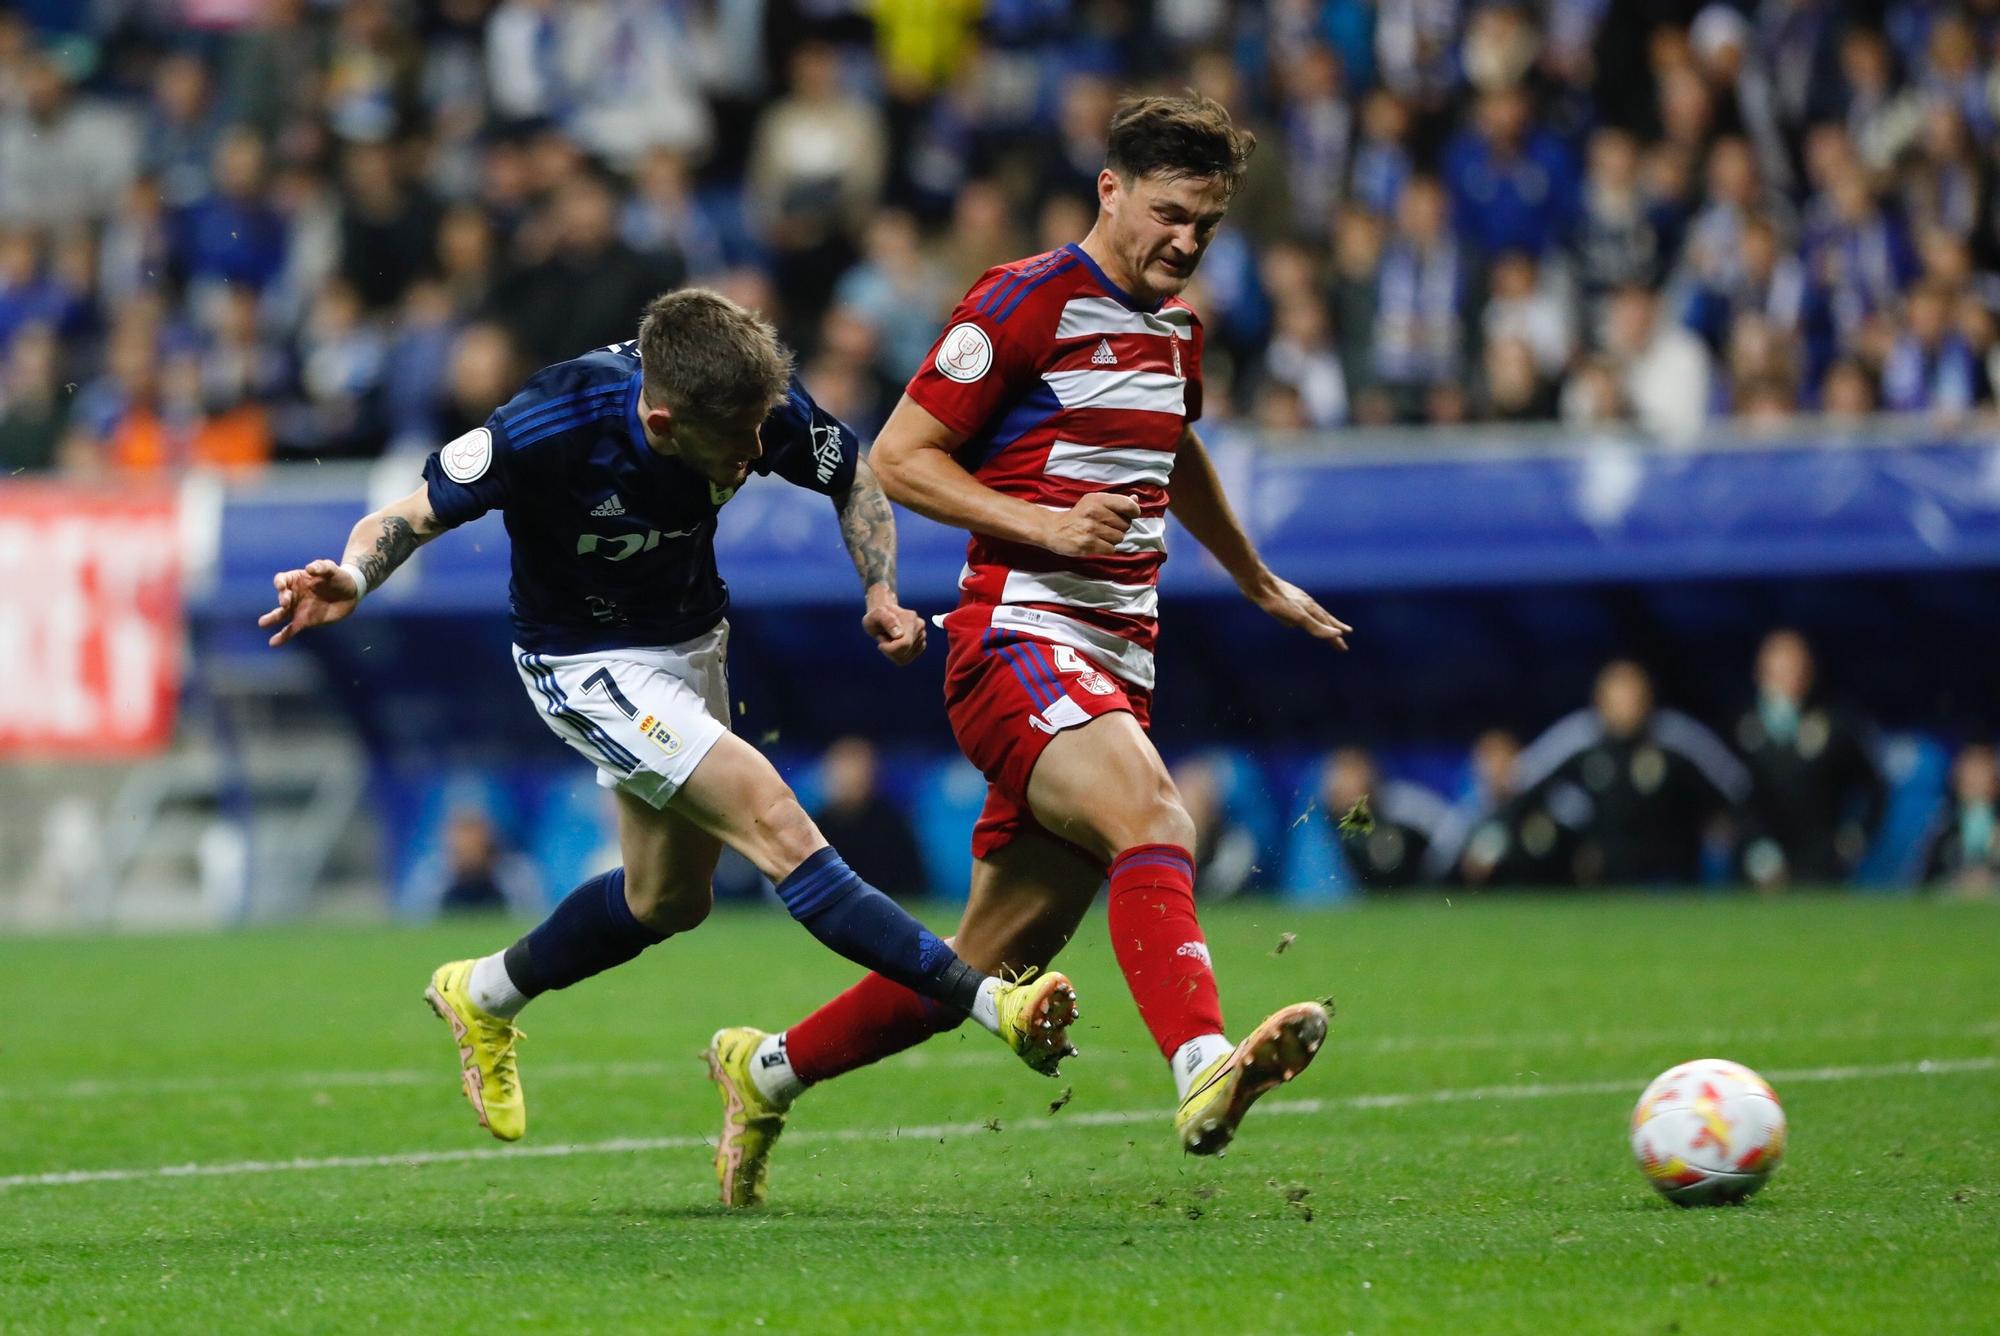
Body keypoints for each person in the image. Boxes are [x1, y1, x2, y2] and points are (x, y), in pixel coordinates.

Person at [258, 288, 1079, 1155]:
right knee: (776, 819)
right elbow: (407, 514)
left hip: (691, 644)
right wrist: (352, 577)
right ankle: (994, 1003)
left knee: (669, 900)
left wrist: (879, 589)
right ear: (660, 423)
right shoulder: (547, 422)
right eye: (735, 446)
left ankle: (485, 992)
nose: (755, 456)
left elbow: (855, 475)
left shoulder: (745, 397)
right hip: (583, 664)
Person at [709, 92, 1347, 1207]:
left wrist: (1250, 577)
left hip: (1114, 662)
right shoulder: (1023, 300)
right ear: (1108, 190)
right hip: (1013, 638)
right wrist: (1049, 525)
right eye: (1166, 214)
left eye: (1204, 224)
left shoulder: (1174, 327)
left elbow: (1172, 446)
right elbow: (899, 458)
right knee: (1157, 814)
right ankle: (1203, 1067)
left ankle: (762, 1071)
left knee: (980, 967)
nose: (1184, 243)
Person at [1512, 661, 1750, 886]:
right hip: (1600, 875)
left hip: (1673, 876)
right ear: (1600, 702)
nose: (1627, 708)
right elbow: (1522, 781)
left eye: (1634, 698)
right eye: (1618, 700)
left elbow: (1734, 784)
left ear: (1648, 699)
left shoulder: (1675, 735)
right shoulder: (1579, 737)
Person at [1732, 630, 1884, 888]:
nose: (1785, 679)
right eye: (1776, 670)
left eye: (1793, 669)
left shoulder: (1835, 724)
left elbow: (1874, 787)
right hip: (1757, 867)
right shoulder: (1739, 727)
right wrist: (1756, 848)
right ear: (1759, 673)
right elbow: (1734, 795)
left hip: (1820, 865)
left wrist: (1855, 836)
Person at [811, 736, 928, 900]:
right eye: (843, 767)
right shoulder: (817, 825)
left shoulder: (892, 826)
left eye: (856, 768)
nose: (849, 777)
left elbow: (914, 886)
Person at [1922, 743, 1998, 896]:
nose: (1973, 780)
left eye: (1980, 772)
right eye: (1968, 772)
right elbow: (1927, 879)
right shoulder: (1943, 824)